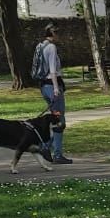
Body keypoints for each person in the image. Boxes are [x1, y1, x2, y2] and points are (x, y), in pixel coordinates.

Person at [32, 25, 72, 166]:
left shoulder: (40, 45)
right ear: (53, 34)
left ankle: (47, 148)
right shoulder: (52, 48)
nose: (59, 36)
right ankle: (55, 153)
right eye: (58, 33)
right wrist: (56, 88)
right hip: (52, 86)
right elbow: (53, 70)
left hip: (44, 86)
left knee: (56, 119)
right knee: (60, 122)